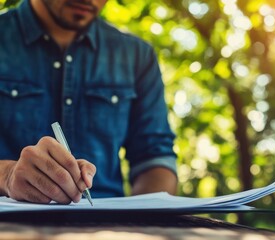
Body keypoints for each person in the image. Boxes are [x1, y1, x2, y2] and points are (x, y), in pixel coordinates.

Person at [0, 0, 178, 204]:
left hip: (109, 227)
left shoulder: (137, 55)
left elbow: (154, 158)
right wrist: (7, 175)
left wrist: (143, 222)